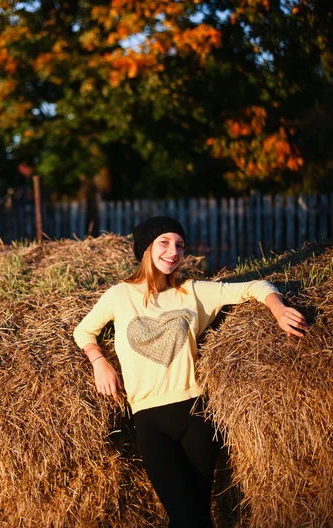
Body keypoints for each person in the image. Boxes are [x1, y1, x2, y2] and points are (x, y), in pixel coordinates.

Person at [73, 216, 308, 528]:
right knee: (188, 516)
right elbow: (84, 331)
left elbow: (256, 286)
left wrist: (278, 309)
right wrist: (98, 361)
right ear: (145, 249)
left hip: (196, 416)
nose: (174, 251)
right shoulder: (119, 295)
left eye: (180, 245)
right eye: (165, 243)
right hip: (150, 420)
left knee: (192, 517)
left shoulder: (192, 292)